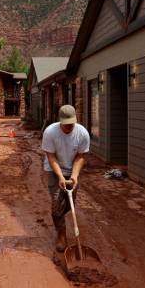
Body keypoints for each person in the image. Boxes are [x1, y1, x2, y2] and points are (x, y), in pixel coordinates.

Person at [42, 104, 90, 251]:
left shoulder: (82, 133)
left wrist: (74, 175)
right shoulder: (50, 132)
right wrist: (61, 177)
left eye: (72, 123)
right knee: (57, 205)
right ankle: (61, 234)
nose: (69, 126)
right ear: (60, 121)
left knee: (70, 205)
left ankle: (58, 215)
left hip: (71, 169)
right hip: (53, 169)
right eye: (66, 124)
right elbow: (51, 157)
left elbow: (81, 156)